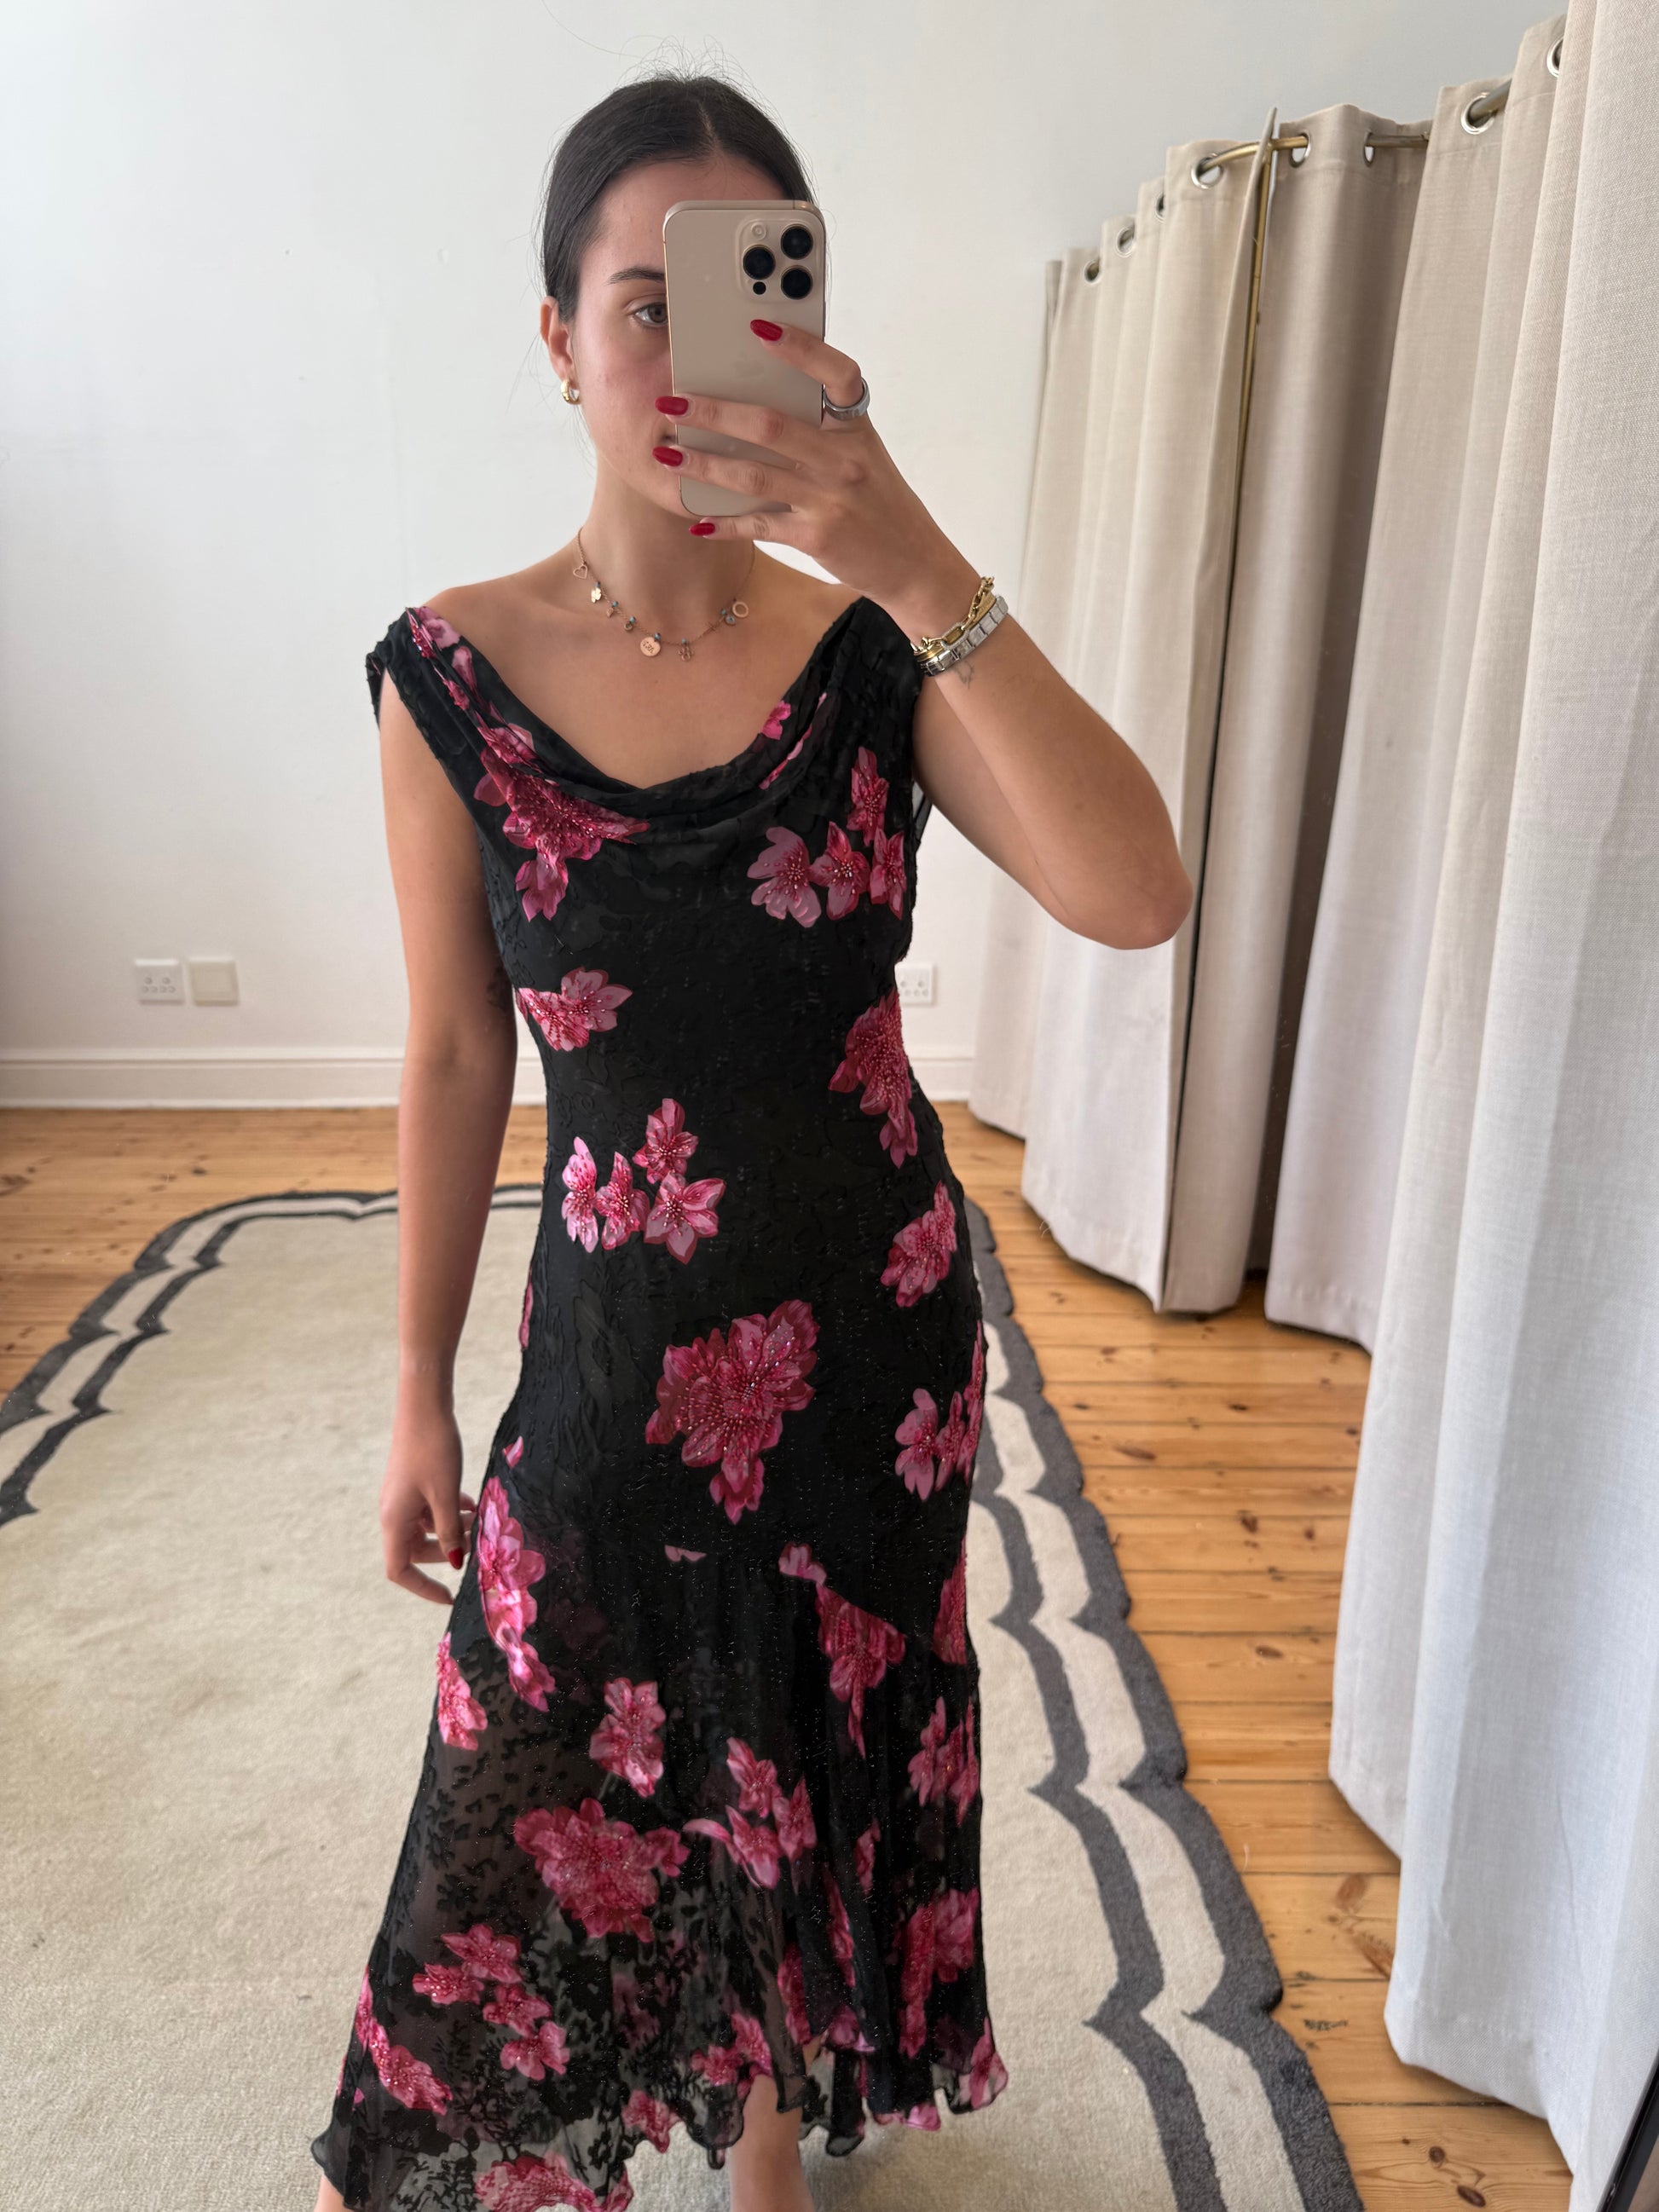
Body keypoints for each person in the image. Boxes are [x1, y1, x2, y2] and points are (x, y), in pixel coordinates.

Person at [310, 67, 1191, 2212]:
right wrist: (415, 1377)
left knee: (803, 1745)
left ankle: (772, 2133)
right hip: (608, 1363)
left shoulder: (881, 651)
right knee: (517, 1780)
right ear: (558, 340)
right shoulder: (446, 678)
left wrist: (914, 556)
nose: (692, 354)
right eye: (646, 304)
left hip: (872, 1345)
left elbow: (1136, 886)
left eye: (748, 299)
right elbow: (456, 1047)